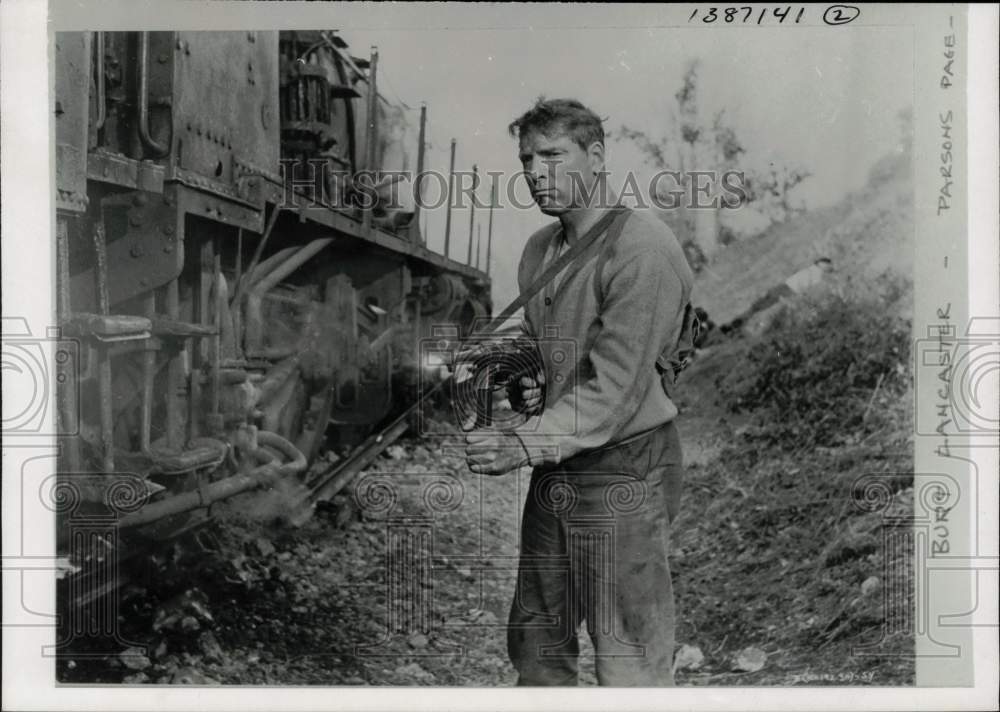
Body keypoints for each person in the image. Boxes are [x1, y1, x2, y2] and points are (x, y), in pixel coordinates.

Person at [464, 97, 694, 686]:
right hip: (559, 465)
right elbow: (547, 349)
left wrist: (522, 444)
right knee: (539, 641)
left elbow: (615, 387)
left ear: (595, 157)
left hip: (625, 465)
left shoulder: (642, 250)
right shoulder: (540, 250)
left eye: (553, 155)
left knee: (629, 651)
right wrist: (501, 375)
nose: (536, 172)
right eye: (526, 159)